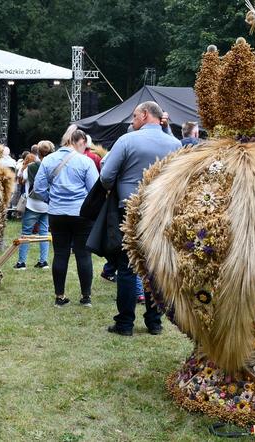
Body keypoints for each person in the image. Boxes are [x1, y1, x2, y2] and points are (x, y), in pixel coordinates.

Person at [101, 101, 181, 336]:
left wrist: (120, 186)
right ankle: (154, 322)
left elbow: (106, 176)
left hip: (130, 210)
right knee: (155, 267)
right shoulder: (175, 144)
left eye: (135, 115)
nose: (132, 120)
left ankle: (125, 324)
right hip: (161, 213)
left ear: (145, 115)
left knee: (127, 267)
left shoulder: (127, 140)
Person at [33, 127, 98, 307]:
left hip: (56, 213)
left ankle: (60, 297)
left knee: (60, 255)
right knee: (84, 256)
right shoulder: (85, 162)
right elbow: (94, 189)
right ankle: (86, 297)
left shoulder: (48, 160)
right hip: (81, 214)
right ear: (81, 142)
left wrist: (52, 199)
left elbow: (38, 188)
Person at [14, 140, 54, 270]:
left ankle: (21, 262)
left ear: (37, 152)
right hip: (47, 203)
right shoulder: (53, 166)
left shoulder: (31, 167)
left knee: (26, 232)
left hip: (32, 203)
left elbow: (22, 177)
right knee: (44, 232)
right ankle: (43, 261)